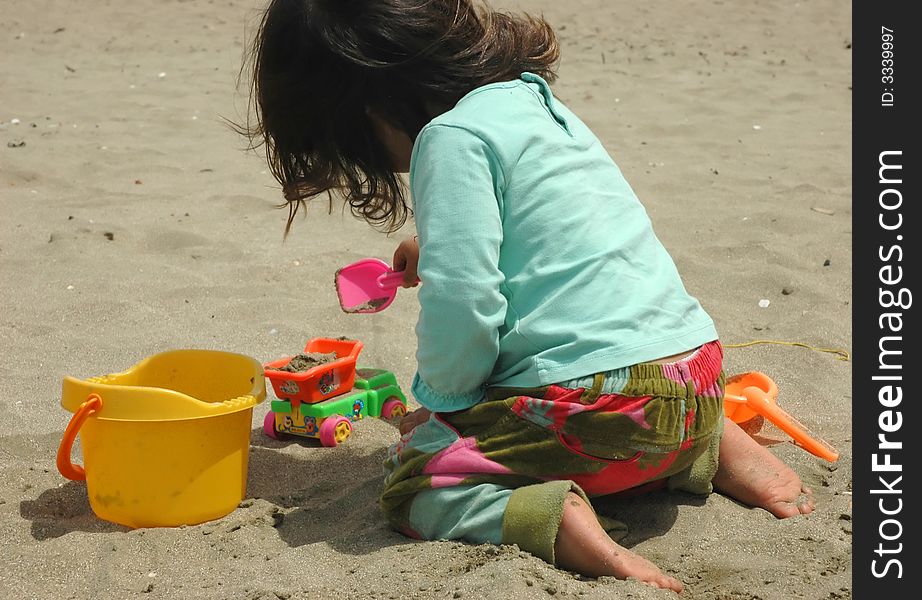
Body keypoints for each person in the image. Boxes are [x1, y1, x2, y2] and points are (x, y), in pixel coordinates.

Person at [242, 0, 814, 592]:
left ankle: (559, 521)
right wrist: (433, 242)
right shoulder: (535, 103)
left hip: (598, 407)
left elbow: (465, 304)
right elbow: (561, 231)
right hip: (695, 380)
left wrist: (446, 401)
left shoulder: (448, 136)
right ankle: (716, 449)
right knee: (635, 405)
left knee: (417, 481)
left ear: (362, 105)